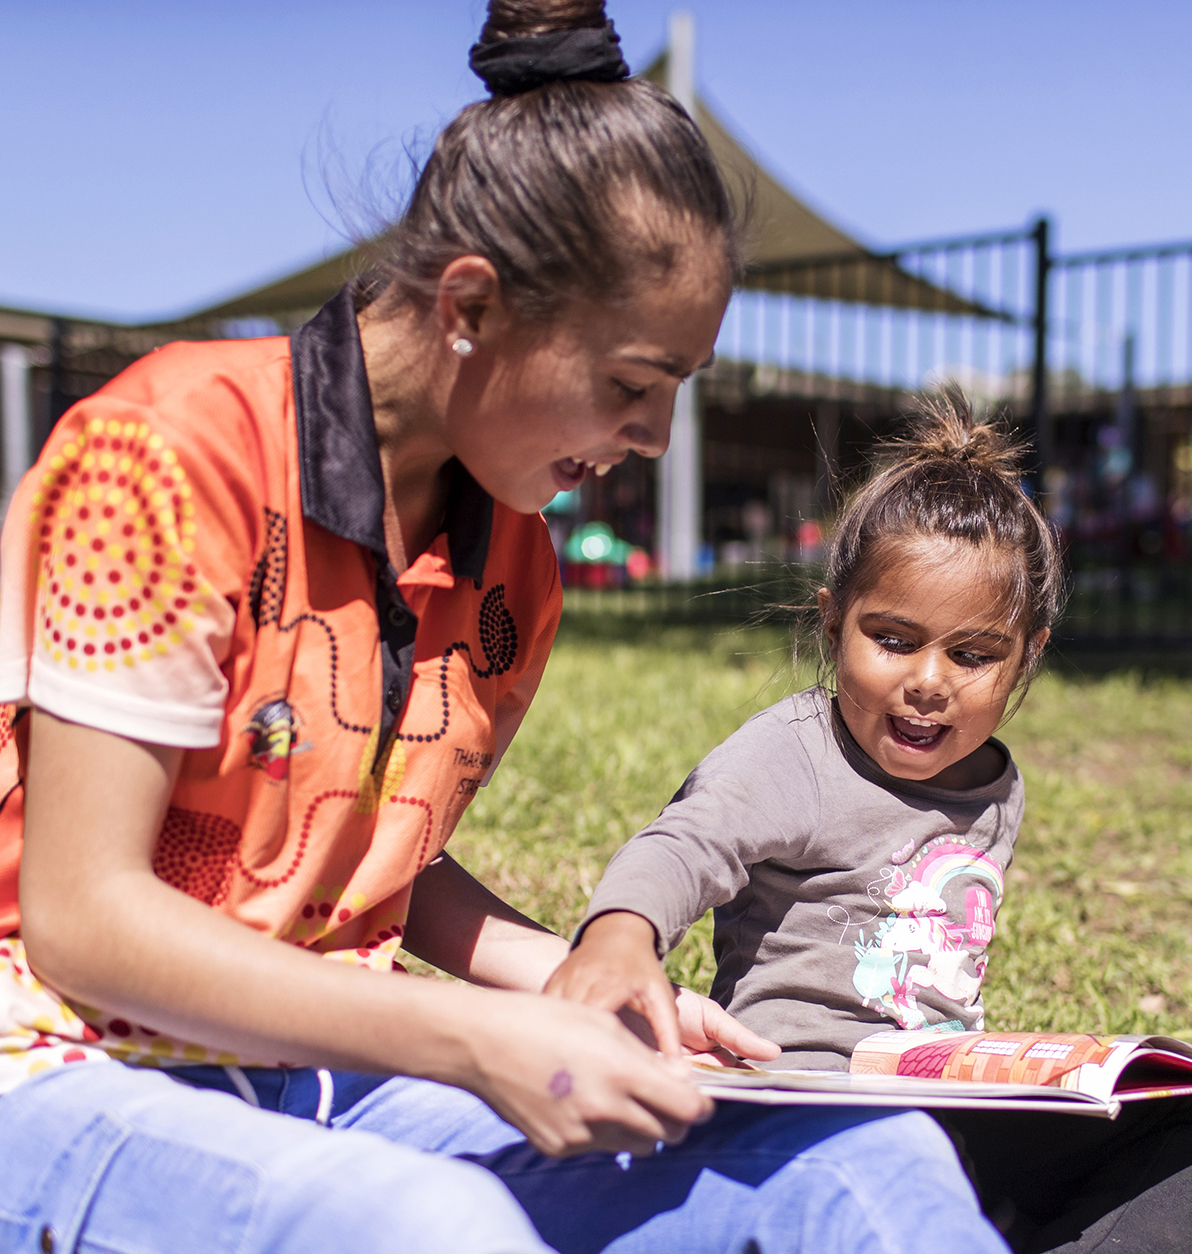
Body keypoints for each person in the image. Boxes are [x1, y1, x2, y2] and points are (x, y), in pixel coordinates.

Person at [0, 4, 1012, 1252]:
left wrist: (575, 984)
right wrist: (478, 1038)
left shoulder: (513, 561)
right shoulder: (166, 456)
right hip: (55, 1066)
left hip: (326, 1075)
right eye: (633, 384)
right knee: (435, 1226)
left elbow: (359, 860)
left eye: (677, 395)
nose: (650, 438)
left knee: (861, 1161)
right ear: (471, 306)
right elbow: (85, 922)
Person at [549, 392, 1192, 1253]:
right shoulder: (795, 754)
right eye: (892, 640)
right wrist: (620, 937)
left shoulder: (996, 786)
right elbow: (681, 848)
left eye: (972, 655)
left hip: (947, 1100)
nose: (929, 681)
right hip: (807, 1114)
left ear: (1026, 656)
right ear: (831, 620)